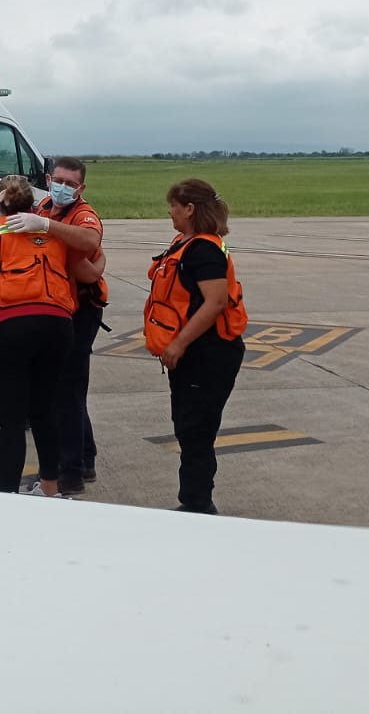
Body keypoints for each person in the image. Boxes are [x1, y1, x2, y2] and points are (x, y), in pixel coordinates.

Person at [0, 175, 77, 496]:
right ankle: (50, 488)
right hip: (57, 325)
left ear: (0, 203)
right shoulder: (52, 229)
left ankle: (8, 494)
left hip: (12, 325)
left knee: (11, 418)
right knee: (44, 410)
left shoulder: (0, 229)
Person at [143, 180, 247, 515]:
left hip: (209, 354)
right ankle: (194, 500)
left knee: (197, 432)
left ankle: (198, 504)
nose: (169, 211)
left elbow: (215, 302)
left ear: (189, 209)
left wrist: (178, 344)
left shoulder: (204, 250)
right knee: (188, 427)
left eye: (174, 205)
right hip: (193, 354)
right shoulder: (184, 243)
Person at [37, 157, 108, 496]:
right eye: (59, 180)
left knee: (67, 390)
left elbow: (89, 241)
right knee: (69, 391)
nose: (63, 187)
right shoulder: (44, 206)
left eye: (71, 183)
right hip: (59, 305)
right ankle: (85, 457)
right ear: (48, 179)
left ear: (81, 188)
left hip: (81, 309)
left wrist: (47, 228)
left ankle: (71, 473)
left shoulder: (83, 214)